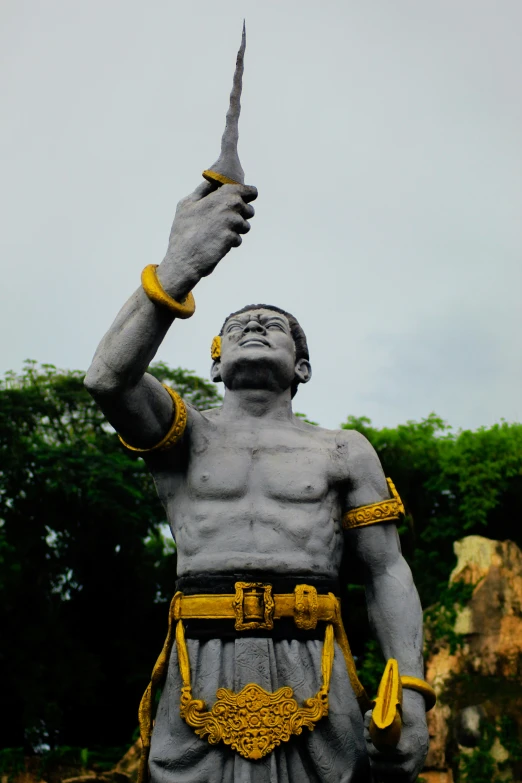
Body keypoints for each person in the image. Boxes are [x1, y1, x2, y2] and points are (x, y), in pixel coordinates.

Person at [85, 178, 433, 783]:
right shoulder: (184, 433)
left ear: (301, 366)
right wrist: (178, 268)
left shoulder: (344, 449)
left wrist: (410, 686)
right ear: (215, 362)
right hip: (201, 661)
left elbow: (385, 570)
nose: (254, 324)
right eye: (240, 322)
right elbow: (108, 379)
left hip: (315, 661)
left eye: (273, 324)